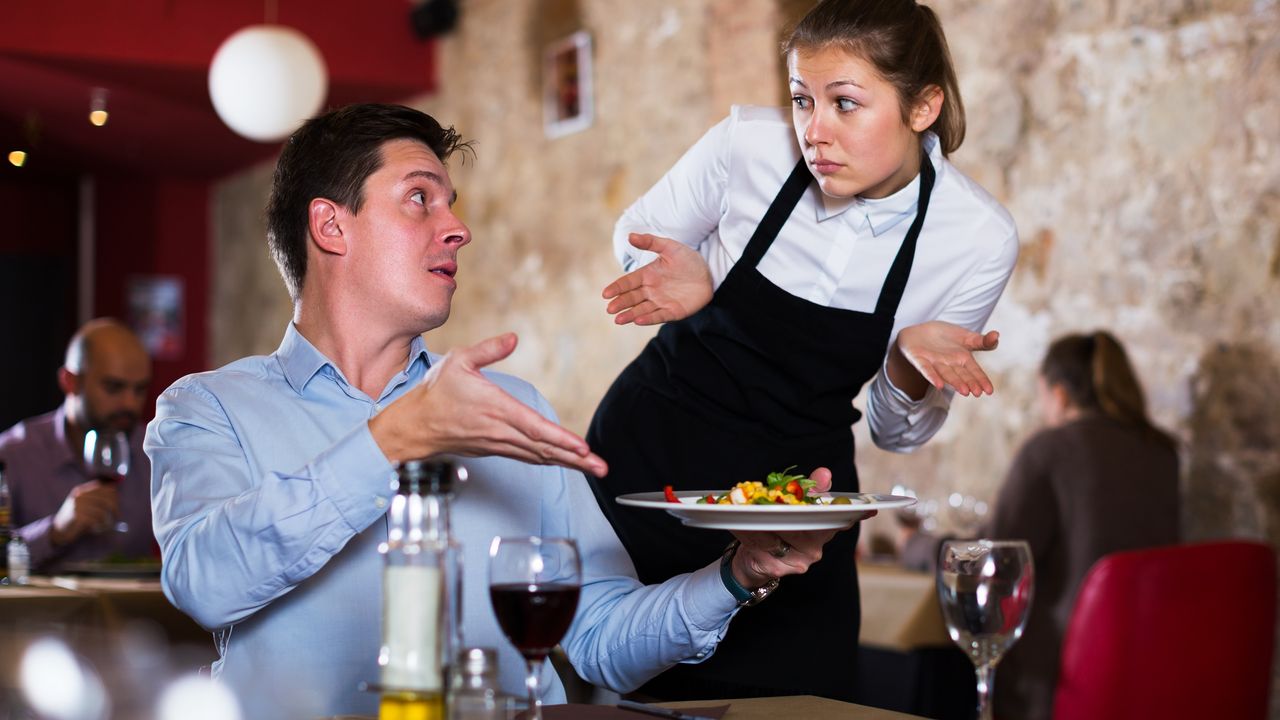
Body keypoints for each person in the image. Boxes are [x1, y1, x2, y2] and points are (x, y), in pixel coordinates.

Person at [145, 103, 858, 720]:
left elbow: (604, 641)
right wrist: (395, 437)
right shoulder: (207, 408)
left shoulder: (514, 408)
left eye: (452, 204)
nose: (458, 228)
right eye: (421, 199)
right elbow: (206, 585)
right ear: (331, 227)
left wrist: (737, 573)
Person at [584, 0, 1019, 701]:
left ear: (923, 106)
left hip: (797, 507)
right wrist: (689, 273)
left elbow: (895, 431)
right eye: (801, 100)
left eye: (845, 103)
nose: (814, 131)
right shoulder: (745, 147)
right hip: (650, 465)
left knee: (804, 698)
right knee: (622, 688)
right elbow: (639, 234)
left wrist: (907, 362)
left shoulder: (975, 239)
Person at [899, 331, 1180, 720]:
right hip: (1149, 661)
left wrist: (914, 545)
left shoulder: (1051, 449)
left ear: (1059, 395)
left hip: (1062, 671)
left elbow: (992, 560)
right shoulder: (1162, 453)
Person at [0, 319, 154, 572]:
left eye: (139, 390)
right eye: (114, 387)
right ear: (70, 382)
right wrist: (55, 531)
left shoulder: (153, 450)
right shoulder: (14, 453)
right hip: (40, 612)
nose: (130, 404)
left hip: (134, 611)